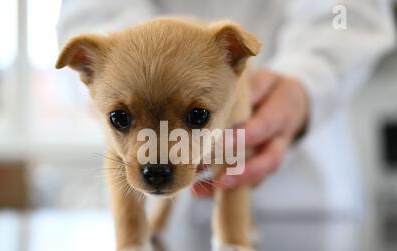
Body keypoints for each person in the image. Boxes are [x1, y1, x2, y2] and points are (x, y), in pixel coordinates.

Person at [57, 0, 396, 214]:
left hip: (303, 194)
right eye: (122, 118)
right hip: (154, 225)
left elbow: (350, 11)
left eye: (196, 116)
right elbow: (91, 11)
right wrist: (122, 68)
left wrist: (309, 78)